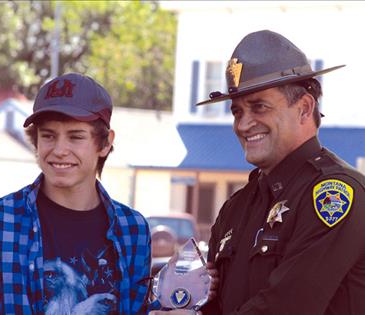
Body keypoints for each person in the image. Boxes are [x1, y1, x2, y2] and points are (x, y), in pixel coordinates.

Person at [151, 30, 365, 315]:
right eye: (237, 112)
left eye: (259, 107)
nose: (242, 125)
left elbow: (288, 307)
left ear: (304, 108)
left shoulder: (335, 194)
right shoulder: (235, 208)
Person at [0, 73, 152, 314]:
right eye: (48, 136)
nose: (59, 150)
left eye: (75, 137)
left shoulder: (133, 229)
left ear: (104, 143)